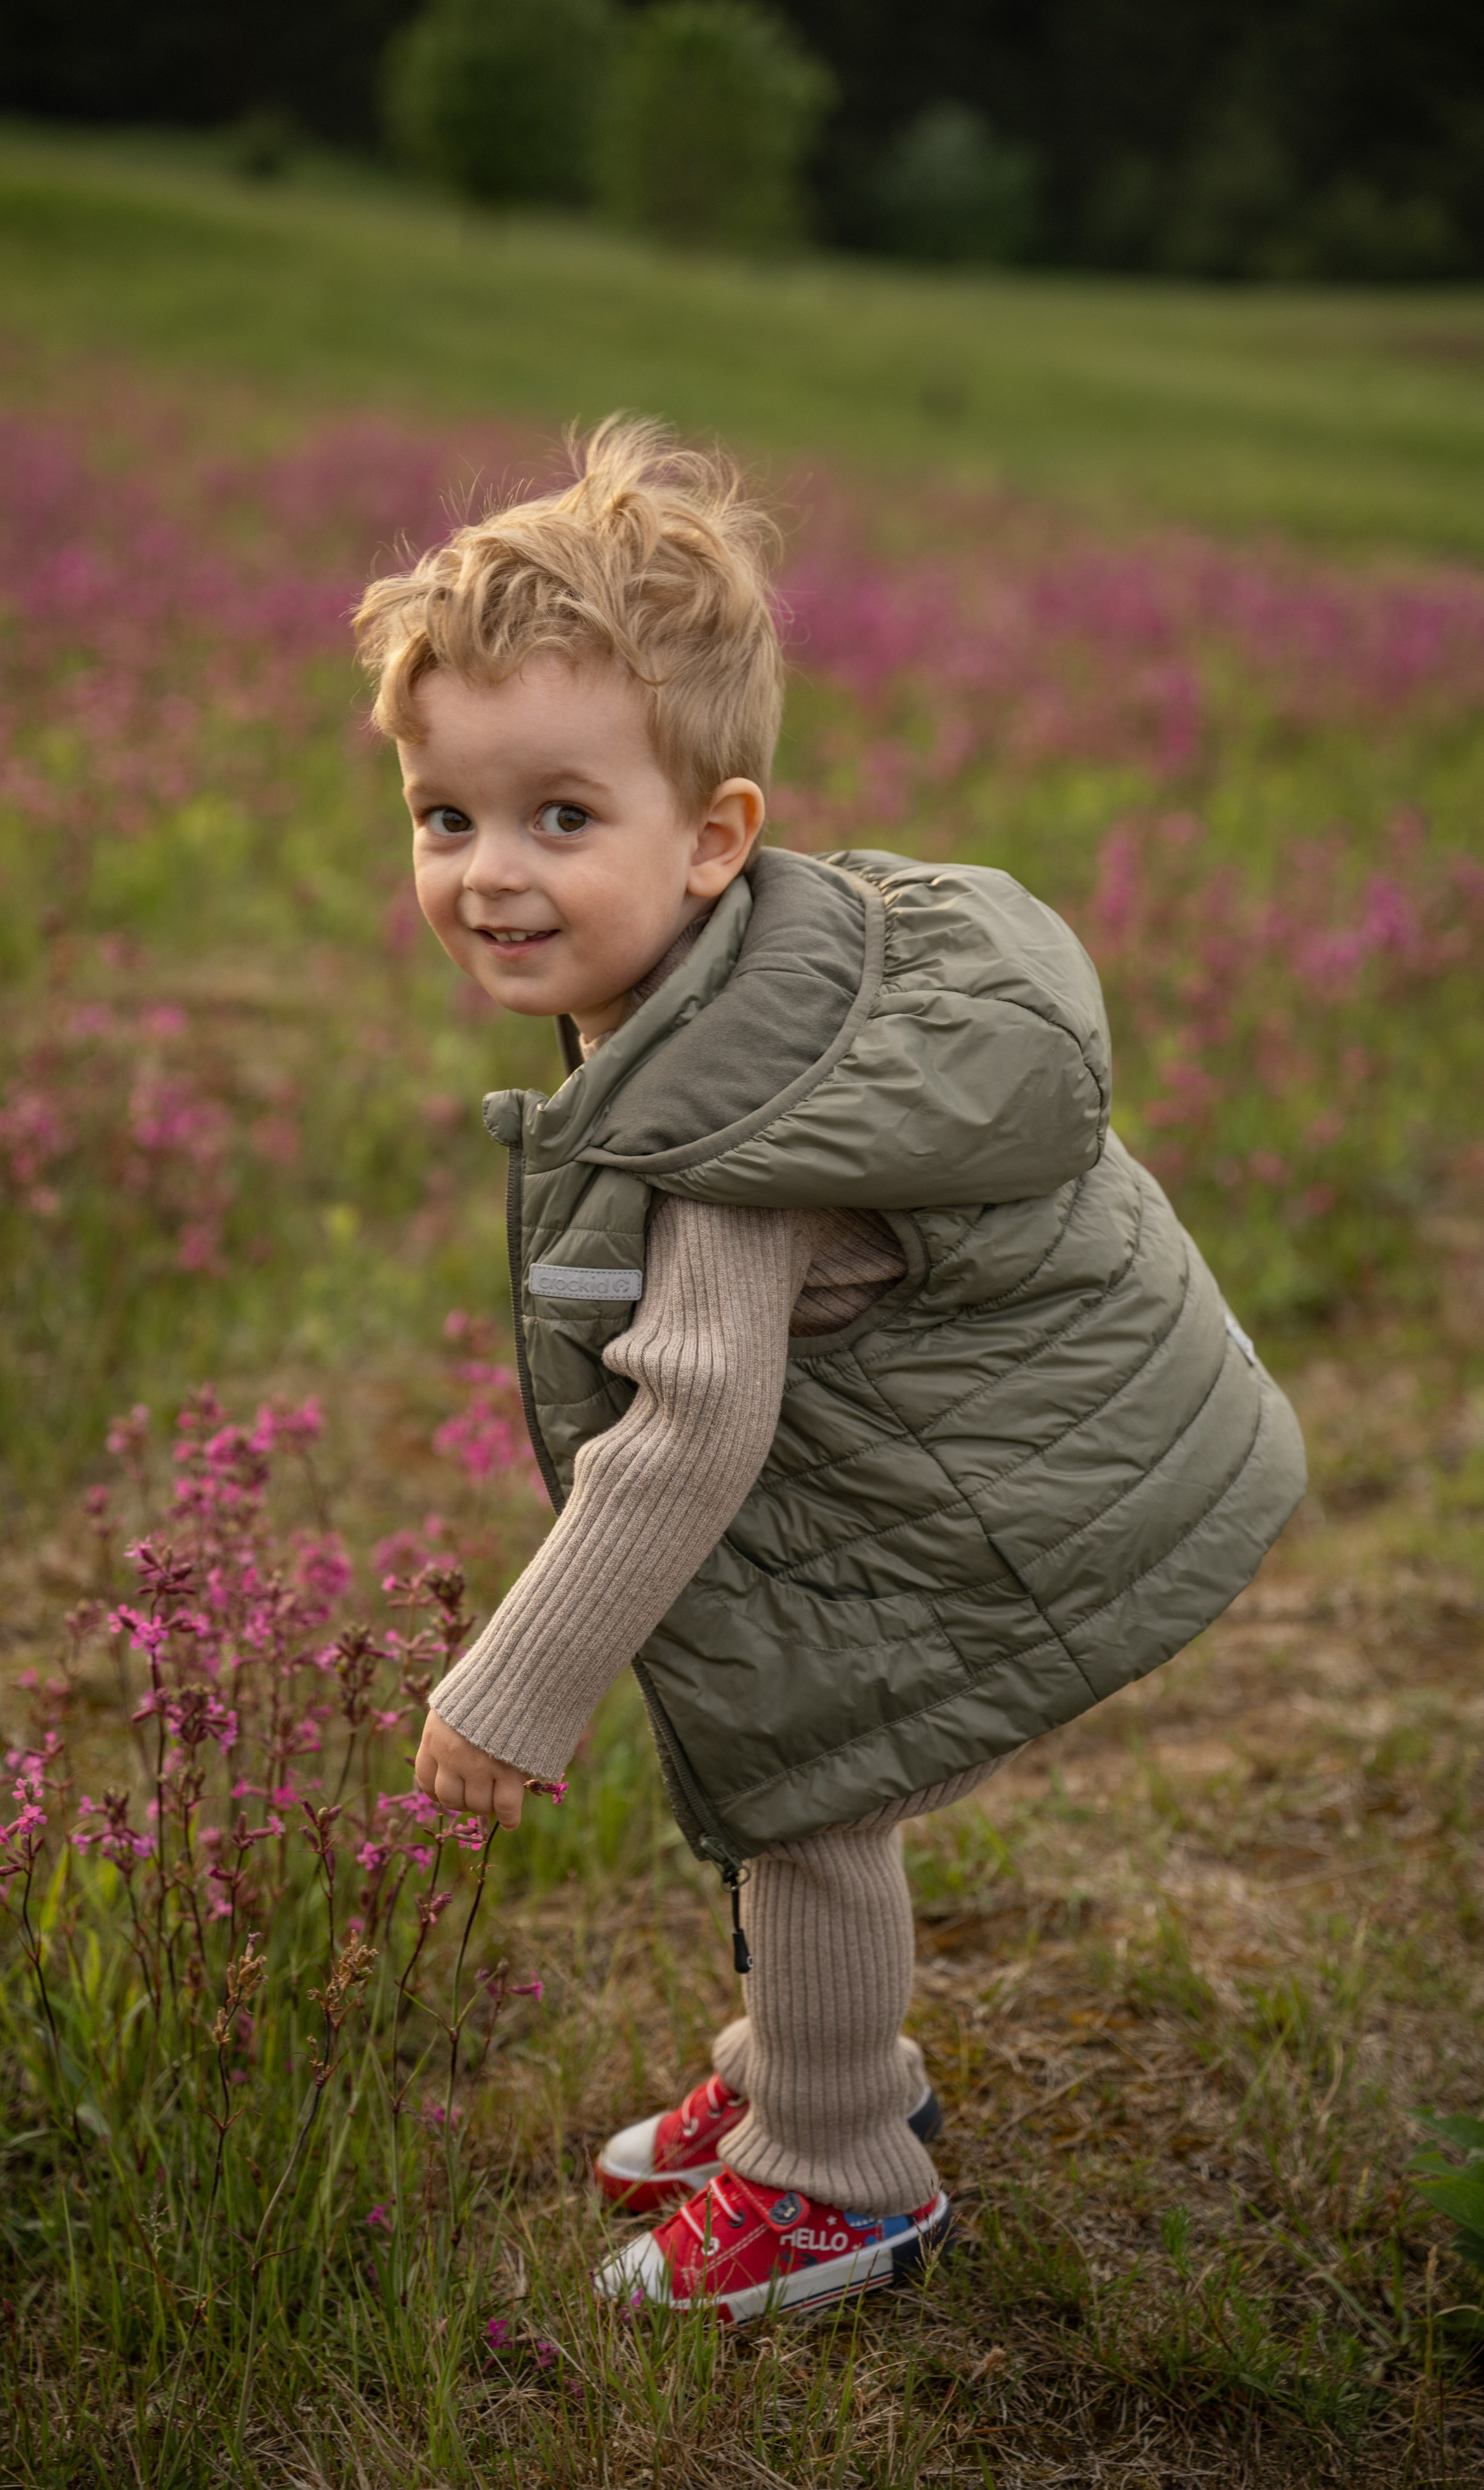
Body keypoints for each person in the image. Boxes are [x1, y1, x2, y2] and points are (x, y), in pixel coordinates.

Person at [353, 418, 1306, 2325]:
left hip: (998, 1503)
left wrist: (510, 1693)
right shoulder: (721, 987)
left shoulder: (740, 1114)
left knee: (809, 1784)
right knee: (796, 1763)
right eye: (448, 817)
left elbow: (691, 1431)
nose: (491, 876)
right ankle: (810, 2067)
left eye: (563, 818)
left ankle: (841, 2166)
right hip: (975, 1452)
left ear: (716, 837)